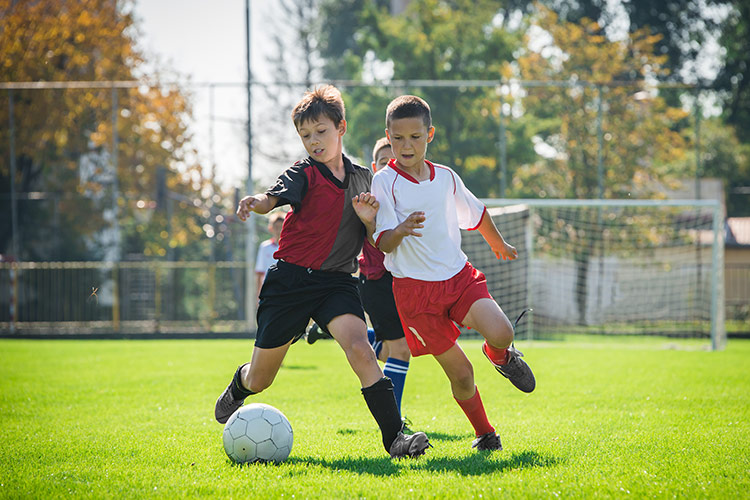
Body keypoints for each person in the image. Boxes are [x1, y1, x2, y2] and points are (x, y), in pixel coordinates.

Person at [214, 85, 430, 459]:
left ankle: (395, 439)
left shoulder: (365, 179)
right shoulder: (303, 173)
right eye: (305, 135)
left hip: (337, 282)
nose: (314, 141)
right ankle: (240, 383)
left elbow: (375, 238)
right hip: (290, 282)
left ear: (341, 127)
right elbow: (274, 197)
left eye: (321, 132)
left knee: (361, 349)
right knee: (261, 378)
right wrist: (258, 202)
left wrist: (368, 220)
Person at [367, 94, 536, 452]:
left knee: (502, 332)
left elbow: (477, 213)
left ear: (430, 134)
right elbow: (382, 242)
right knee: (462, 375)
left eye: (415, 136)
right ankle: (486, 434)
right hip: (416, 295)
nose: (406, 145)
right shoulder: (384, 181)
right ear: (388, 135)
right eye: (397, 138)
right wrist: (402, 229)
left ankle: (501, 356)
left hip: (459, 278)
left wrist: (499, 243)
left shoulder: (445, 177)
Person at [255, 211, 285, 301]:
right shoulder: (265, 247)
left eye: (281, 227)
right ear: (271, 228)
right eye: (276, 227)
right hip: (269, 292)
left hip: (286, 290)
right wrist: (258, 295)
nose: (279, 230)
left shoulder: (291, 247)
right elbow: (259, 273)